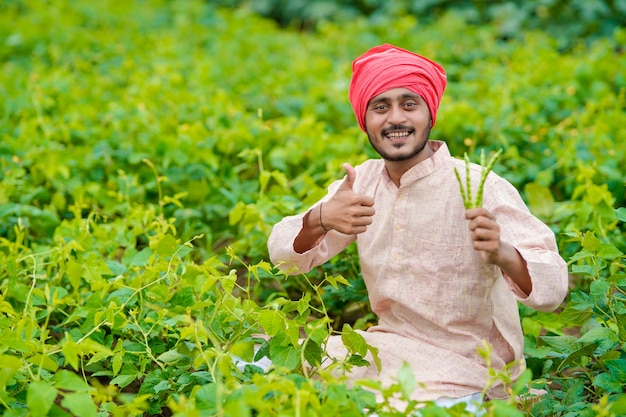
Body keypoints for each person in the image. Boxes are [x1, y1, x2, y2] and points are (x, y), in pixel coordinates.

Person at [267, 43, 569, 408]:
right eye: (381, 107)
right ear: (366, 120)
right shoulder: (362, 183)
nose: (395, 118)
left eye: (409, 104)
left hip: (466, 368)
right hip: (385, 350)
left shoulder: (479, 186)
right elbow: (284, 257)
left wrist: (503, 253)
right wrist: (319, 219)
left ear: (430, 115)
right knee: (263, 366)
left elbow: (554, 288)